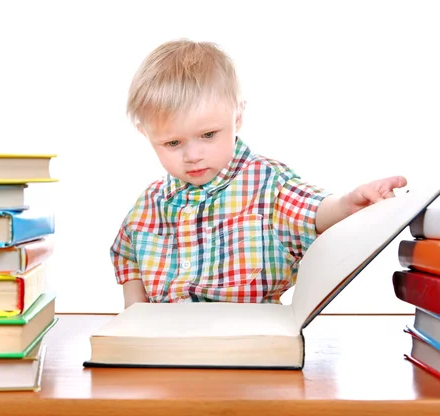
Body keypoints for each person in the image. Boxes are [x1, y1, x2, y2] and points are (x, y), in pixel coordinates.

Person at [111, 39, 407, 308]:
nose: (193, 155)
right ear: (146, 134)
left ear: (236, 117)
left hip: (249, 339)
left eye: (209, 135)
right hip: (168, 344)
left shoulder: (265, 183)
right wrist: (136, 315)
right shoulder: (149, 205)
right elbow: (127, 255)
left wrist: (346, 204)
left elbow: (309, 210)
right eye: (173, 143)